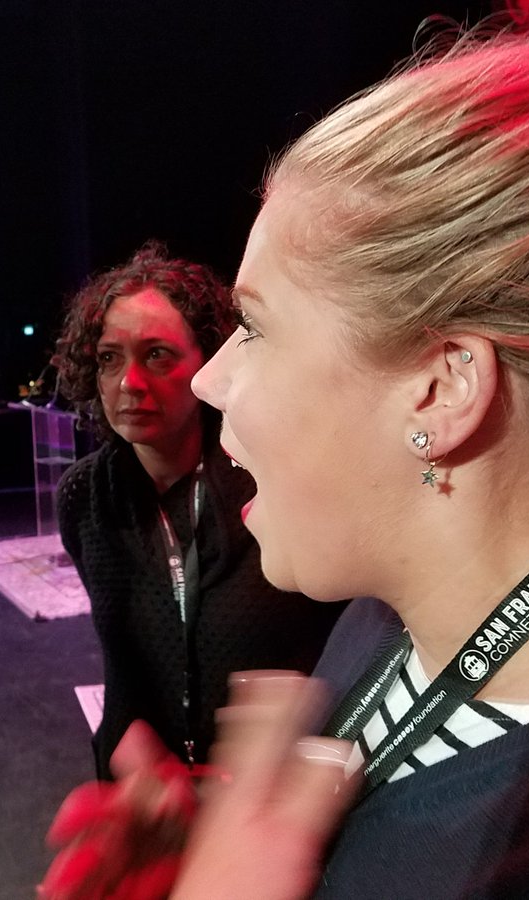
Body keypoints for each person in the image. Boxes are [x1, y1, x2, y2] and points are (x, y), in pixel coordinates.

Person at [42, 30, 529, 899]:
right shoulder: (395, 616)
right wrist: (209, 849)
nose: (209, 379)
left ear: (440, 387)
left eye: (256, 327)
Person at [52, 242, 344, 779]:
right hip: (157, 808)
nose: (129, 383)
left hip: (276, 801)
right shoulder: (86, 498)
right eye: (108, 358)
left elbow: (348, 653)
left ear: (209, 359)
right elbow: (122, 672)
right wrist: (135, 755)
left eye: (157, 354)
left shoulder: (272, 479)